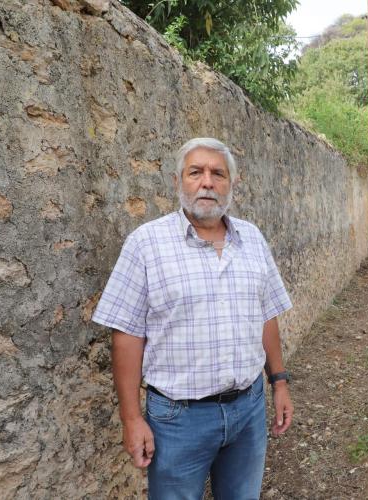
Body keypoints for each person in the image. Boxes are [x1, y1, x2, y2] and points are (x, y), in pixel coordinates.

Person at [92, 137, 294, 500]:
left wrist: (278, 382)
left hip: (249, 410)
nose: (207, 182)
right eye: (195, 172)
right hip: (178, 421)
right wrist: (131, 418)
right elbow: (127, 335)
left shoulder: (251, 239)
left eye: (218, 174)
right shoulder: (146, 244)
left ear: (231, 183)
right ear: (177, 181)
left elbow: (266, 314)